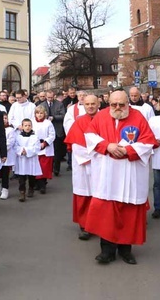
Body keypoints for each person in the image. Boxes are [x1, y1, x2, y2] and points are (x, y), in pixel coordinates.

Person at [84, 90, 156, 265]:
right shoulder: (100, 117)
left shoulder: (138, 117)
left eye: (121, 104)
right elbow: (90, 136)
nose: (117, 108)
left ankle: (126, 250)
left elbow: (148, 141)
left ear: (128, 104)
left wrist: (128, 150)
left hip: (130, 172)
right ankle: (106, 251)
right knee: (107, 213)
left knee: (128, 213)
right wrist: (107, 146)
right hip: (107, 173)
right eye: (113, 104)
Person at [64, 94, 99, 240]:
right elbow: (77, 146)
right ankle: (85, 225)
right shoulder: (79, 122)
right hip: (84, 166)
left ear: (98, 104)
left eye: (93, 104)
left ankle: (98, 224)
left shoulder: (105, 119)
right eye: (87, 104)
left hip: (102, 165)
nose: (90, 106)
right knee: (84, 195)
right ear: (83, 105)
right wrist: (97, 156)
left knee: (100, 196)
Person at [14, 118, 41, 201]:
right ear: (22, 127)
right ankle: (22, 192)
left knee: (31, 176)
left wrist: (27, 151)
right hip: (22, 159)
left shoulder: (35, 137)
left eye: (29, 125)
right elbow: (15, 146)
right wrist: (21, 150)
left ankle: (31, 189)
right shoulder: (18, 137)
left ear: (31, 126)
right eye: (25, 125)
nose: (27, 127)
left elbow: (37, 147)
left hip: (31, 159)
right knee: (21, 178)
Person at [32, 105, 55, 194]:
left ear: (44, 114)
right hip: (35, 147)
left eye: (41, 113)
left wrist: (45, 143)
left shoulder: (48, 123)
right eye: (37, 113)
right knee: (36, 166)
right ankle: (36, 184)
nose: (39, 115)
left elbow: (52, 135)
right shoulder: (32, 123)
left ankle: (43, 185)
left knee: (44, 167)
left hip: (45, 148)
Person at [0, 112, 16, 200]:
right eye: (2, 118)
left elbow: (11, 142)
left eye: (6, 118)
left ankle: (5, 189)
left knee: (5, 173)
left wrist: (2, 148)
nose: (4, 120)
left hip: (6, 154)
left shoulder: (10, 130)